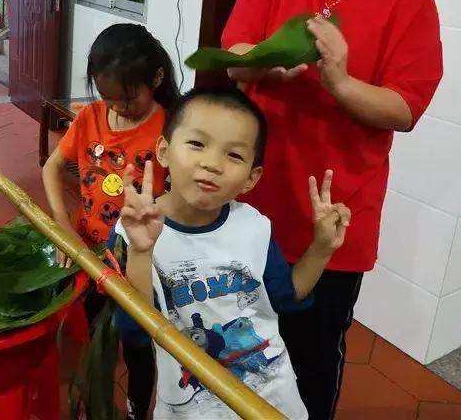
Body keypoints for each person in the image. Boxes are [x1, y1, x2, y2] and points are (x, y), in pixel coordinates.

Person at [220, 0, 443, 419]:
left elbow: (404, 108)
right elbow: (231, 56)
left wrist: (339, 81)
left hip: (333, 218)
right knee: (233, 341)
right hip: (248, 199)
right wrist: (267, 59)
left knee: (310, 358)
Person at [112, 86, 351, 419]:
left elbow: (286, 296)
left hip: (272, 395)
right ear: (164, 150)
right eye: (197, 144)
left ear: (252, 178)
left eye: (234, 155)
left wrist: (322, 248)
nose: (212, 164)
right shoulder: (133, 231)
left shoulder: (253, 226)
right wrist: (141, 252)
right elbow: (136, 331)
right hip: (190, 408)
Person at [42, 22, 180, 420]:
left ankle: (138, 409)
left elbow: (181, 195)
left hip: (140, 262)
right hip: (89, 251)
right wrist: (62, 228)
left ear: (156, 78)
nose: (116, 108)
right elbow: (53, 167)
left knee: (137, 342)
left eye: (127, 98)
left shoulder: (168, 128)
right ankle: (96, 401)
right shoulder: (90, 118)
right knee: (95, 331)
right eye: (107, 98)